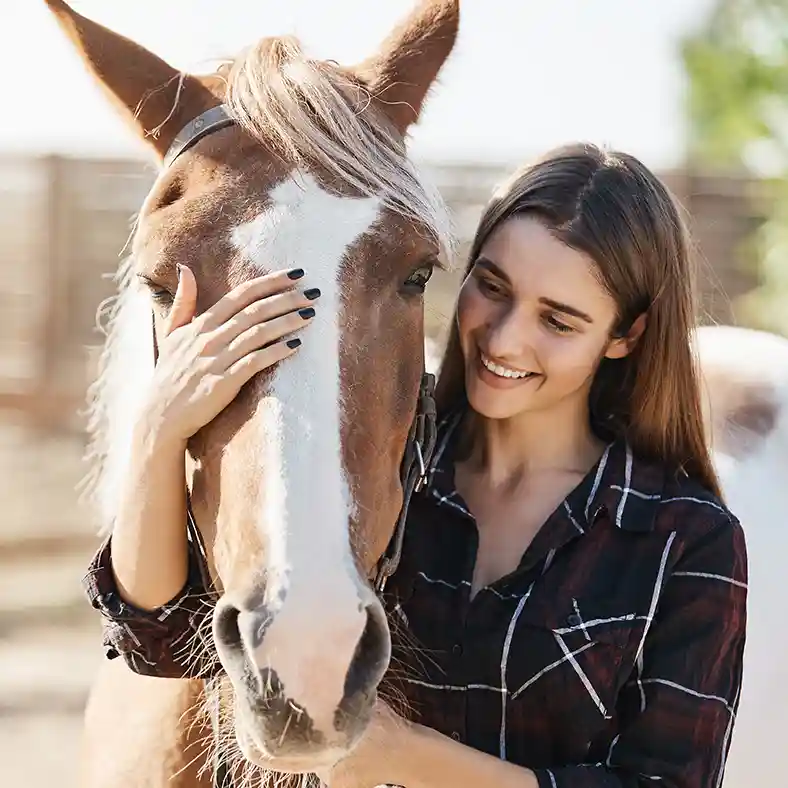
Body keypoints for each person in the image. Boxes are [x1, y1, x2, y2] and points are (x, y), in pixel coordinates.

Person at [83, 143, 748, 788]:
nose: (504, 339)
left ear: (626, 335)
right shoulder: (384, 466)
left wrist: (407, 758)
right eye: (492, 287)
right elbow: (159, 640)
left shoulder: (686, 540)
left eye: (558, 321)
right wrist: (159, 428)